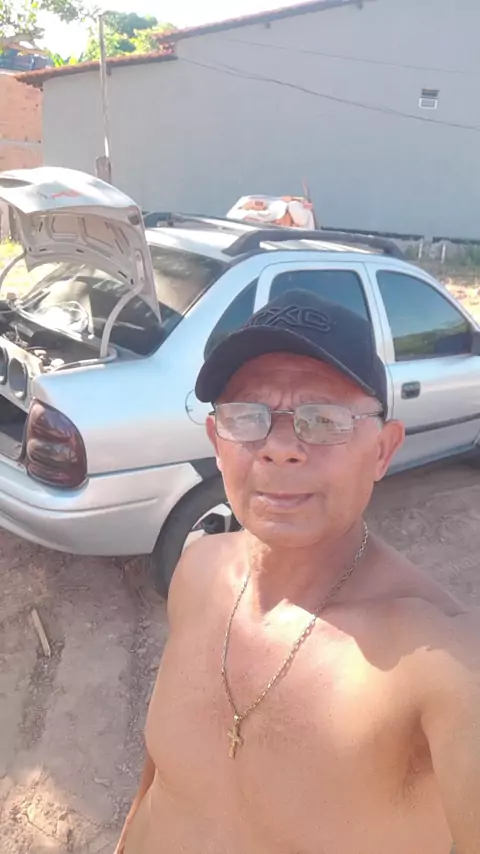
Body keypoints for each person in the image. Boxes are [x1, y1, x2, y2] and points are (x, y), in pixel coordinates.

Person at [116, 289, 479, 854]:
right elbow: (163, 771)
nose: (280, 447)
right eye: (247, 417)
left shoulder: (439, 662)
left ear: (383, 451)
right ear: (217, 443)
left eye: (324, 419)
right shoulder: (197, 573)